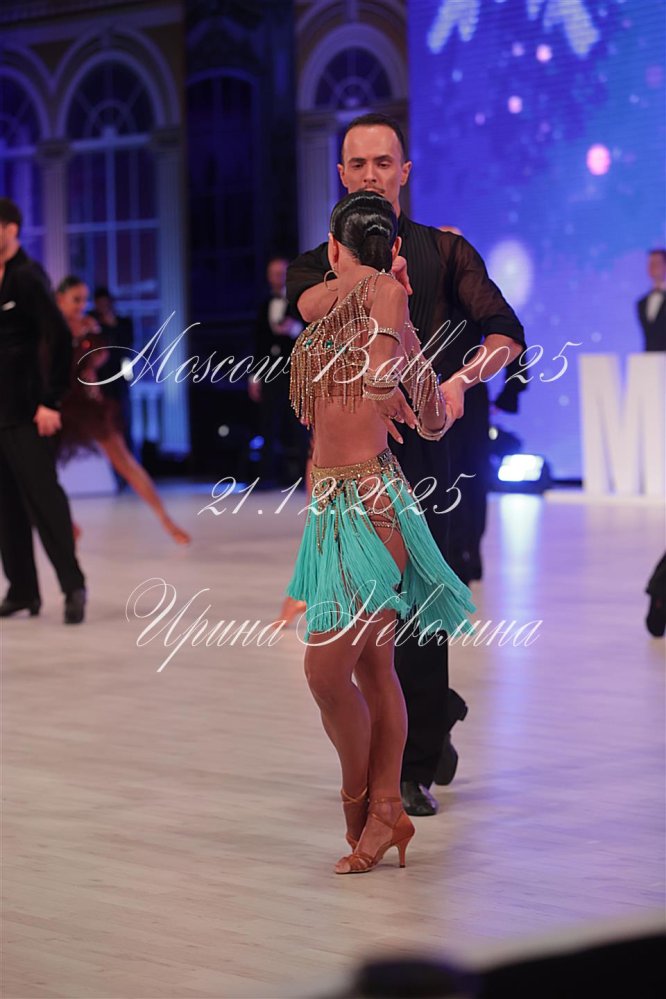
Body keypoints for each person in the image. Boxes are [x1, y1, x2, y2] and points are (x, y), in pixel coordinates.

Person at [287, 113, 525, 816]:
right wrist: (367, 280)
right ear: (341, 175)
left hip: (431, 452)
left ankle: (413, 766)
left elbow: (505, 333)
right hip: (352, 466)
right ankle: (412, 740)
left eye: (383, 163)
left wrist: (460, 381)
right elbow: (313, 308)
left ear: (405, 172)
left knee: (417, 611)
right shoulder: (320, 262)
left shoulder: (445, 251)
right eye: (358, 164)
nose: (371, 175)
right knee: (362, 629)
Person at [285, 190, 475, 873]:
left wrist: (410, 373)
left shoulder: (389, 306)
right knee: (372, 668)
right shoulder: (330, 306)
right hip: (330, 506)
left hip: (374, 502)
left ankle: (361, 801)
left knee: (324, 670)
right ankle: (387, 810)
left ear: (336, 246)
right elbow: (313, 302)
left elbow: (432, 421)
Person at [0, 198, 87, 624]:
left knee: (44, 499)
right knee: (5, 505)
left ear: (11, 229)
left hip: (27, 411)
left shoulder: (28, 277)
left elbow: (59, 337)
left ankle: (73, 586)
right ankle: (22, 590)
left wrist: (50, 400)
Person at [55, 276, 191, 546]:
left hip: (88, 403)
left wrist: (91, 343)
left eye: (84, 300)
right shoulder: (49, 326)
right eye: (76, 300)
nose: (81, 305)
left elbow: (102, 358)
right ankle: (66, 522)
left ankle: (165, 519)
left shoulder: (89, 326)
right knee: (42, 468)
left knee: (123, 460)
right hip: (57, 404)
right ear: (59, 299)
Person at [248, 257, 308, 487]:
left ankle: (304, 476)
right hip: (269, 373)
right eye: (273, 273)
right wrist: (254, 376)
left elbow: (311, 333)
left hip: (294, 372)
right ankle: (266, 477)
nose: (277, 278)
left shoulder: (299, 301)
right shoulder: (264, 304)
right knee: (268, 425)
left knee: (298, 425)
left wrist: (294, 329)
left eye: (281, 273)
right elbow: (258, 343)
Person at [90, 286, 135, 466]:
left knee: (122, 420)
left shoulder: (123, 323)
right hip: (99, 378)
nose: (103, 306)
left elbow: (127, 347)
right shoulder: (92, 323)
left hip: (119, 377)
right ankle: (106, 465)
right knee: (101, 420)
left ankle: (127, 462)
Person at [636, 248, 666, 352]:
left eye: (657, 263)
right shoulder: (641, 303)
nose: (653, 267)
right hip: (649, 358)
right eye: (650, 264)